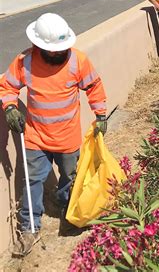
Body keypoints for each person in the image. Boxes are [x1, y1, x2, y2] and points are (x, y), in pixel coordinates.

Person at [0, 13, 107, 256]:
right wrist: (9, 107)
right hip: (36, 136)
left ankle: (67, 209)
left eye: (62, 49)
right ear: (39, 45)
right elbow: (7, 86)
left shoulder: (78, 61)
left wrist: (100, 114)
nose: (59, 53)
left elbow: (93, 86)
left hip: (68, 136)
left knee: (69, 177)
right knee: (32, 181)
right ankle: (30, 227)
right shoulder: (24, 62)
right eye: (54, 50)